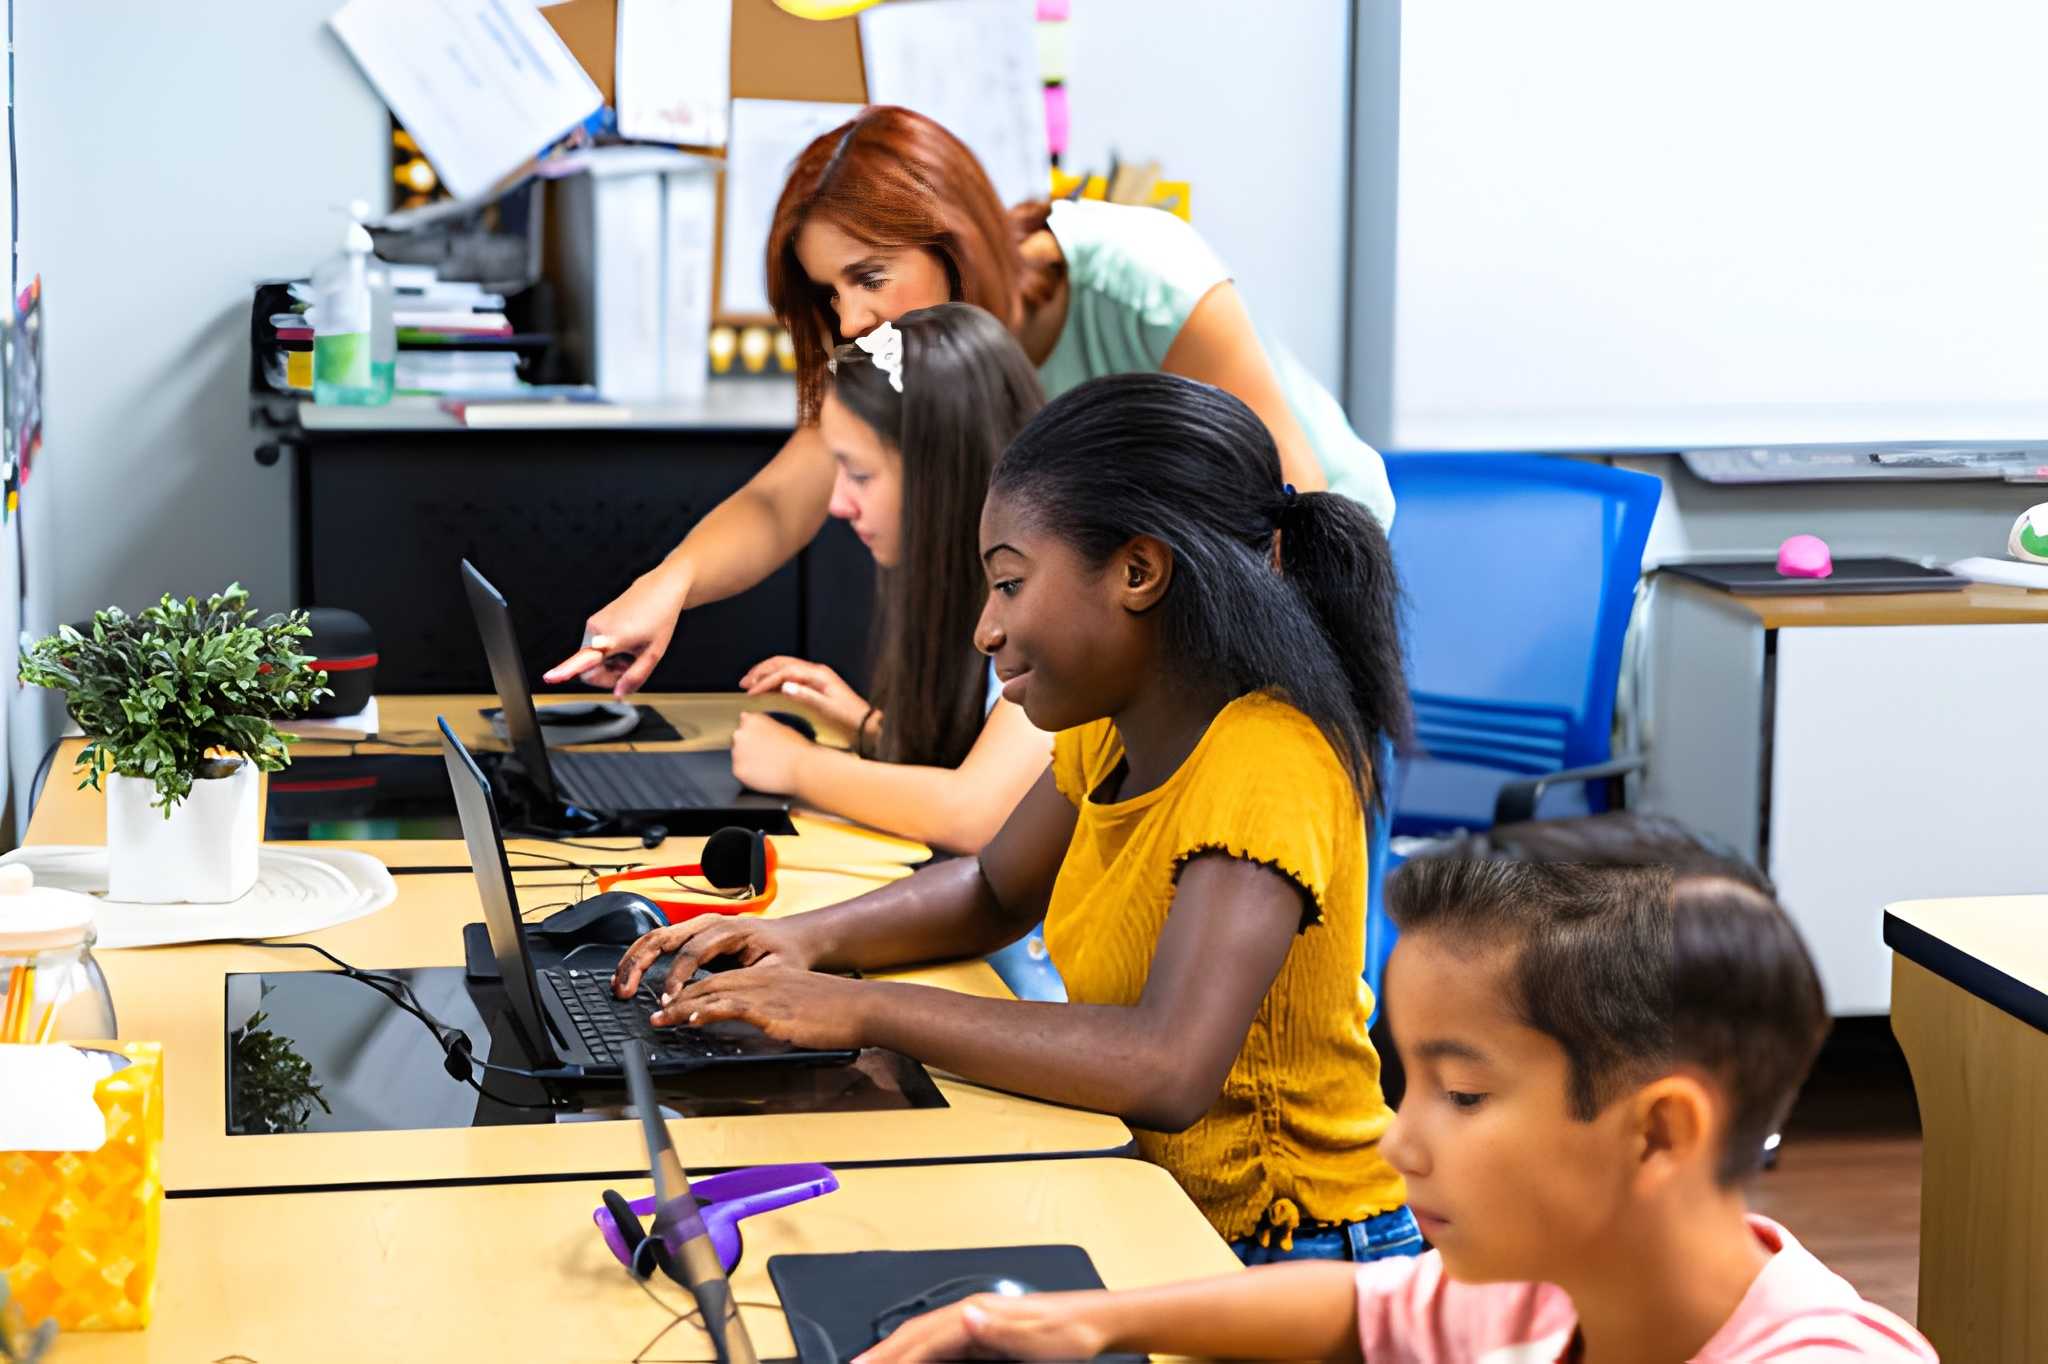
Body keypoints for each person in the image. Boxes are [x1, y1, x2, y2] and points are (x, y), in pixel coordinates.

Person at [611, 373, 1414, 1258]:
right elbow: (994, 890)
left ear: (1138, 572)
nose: (986, 631)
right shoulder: (1115, 727)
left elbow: (1167, 1065)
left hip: (1290, 1244)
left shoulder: (1266, 756)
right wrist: (799, 941)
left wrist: (862, 1009)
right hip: (1157, 1199)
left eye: (1010, 584)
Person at [856, 861, 1938, 1364]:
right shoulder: (1550, 1286)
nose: (1396, 1138)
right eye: (1406, 1082)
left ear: (1657, 1133)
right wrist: (1085, 1320)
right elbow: (1360, 1304)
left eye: (1462, 1095)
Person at [549, 105, 1392, 698]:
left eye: (869, 277)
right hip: (1138, 600)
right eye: (830, 295)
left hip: (1307, 564)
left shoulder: (1142, 276)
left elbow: (1291, 499)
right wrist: (667, 584)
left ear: (949, 241)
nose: (851, 319)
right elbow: (784, 497)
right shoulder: (907, 359)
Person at [726, 303, 1050, 856]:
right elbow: (996, 764)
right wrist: (867, 726)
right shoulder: (980, 582)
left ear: (939, 473)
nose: (837, 503)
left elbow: (977, 813)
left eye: (859, 473)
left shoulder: (1056, 600)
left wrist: (799, 766)